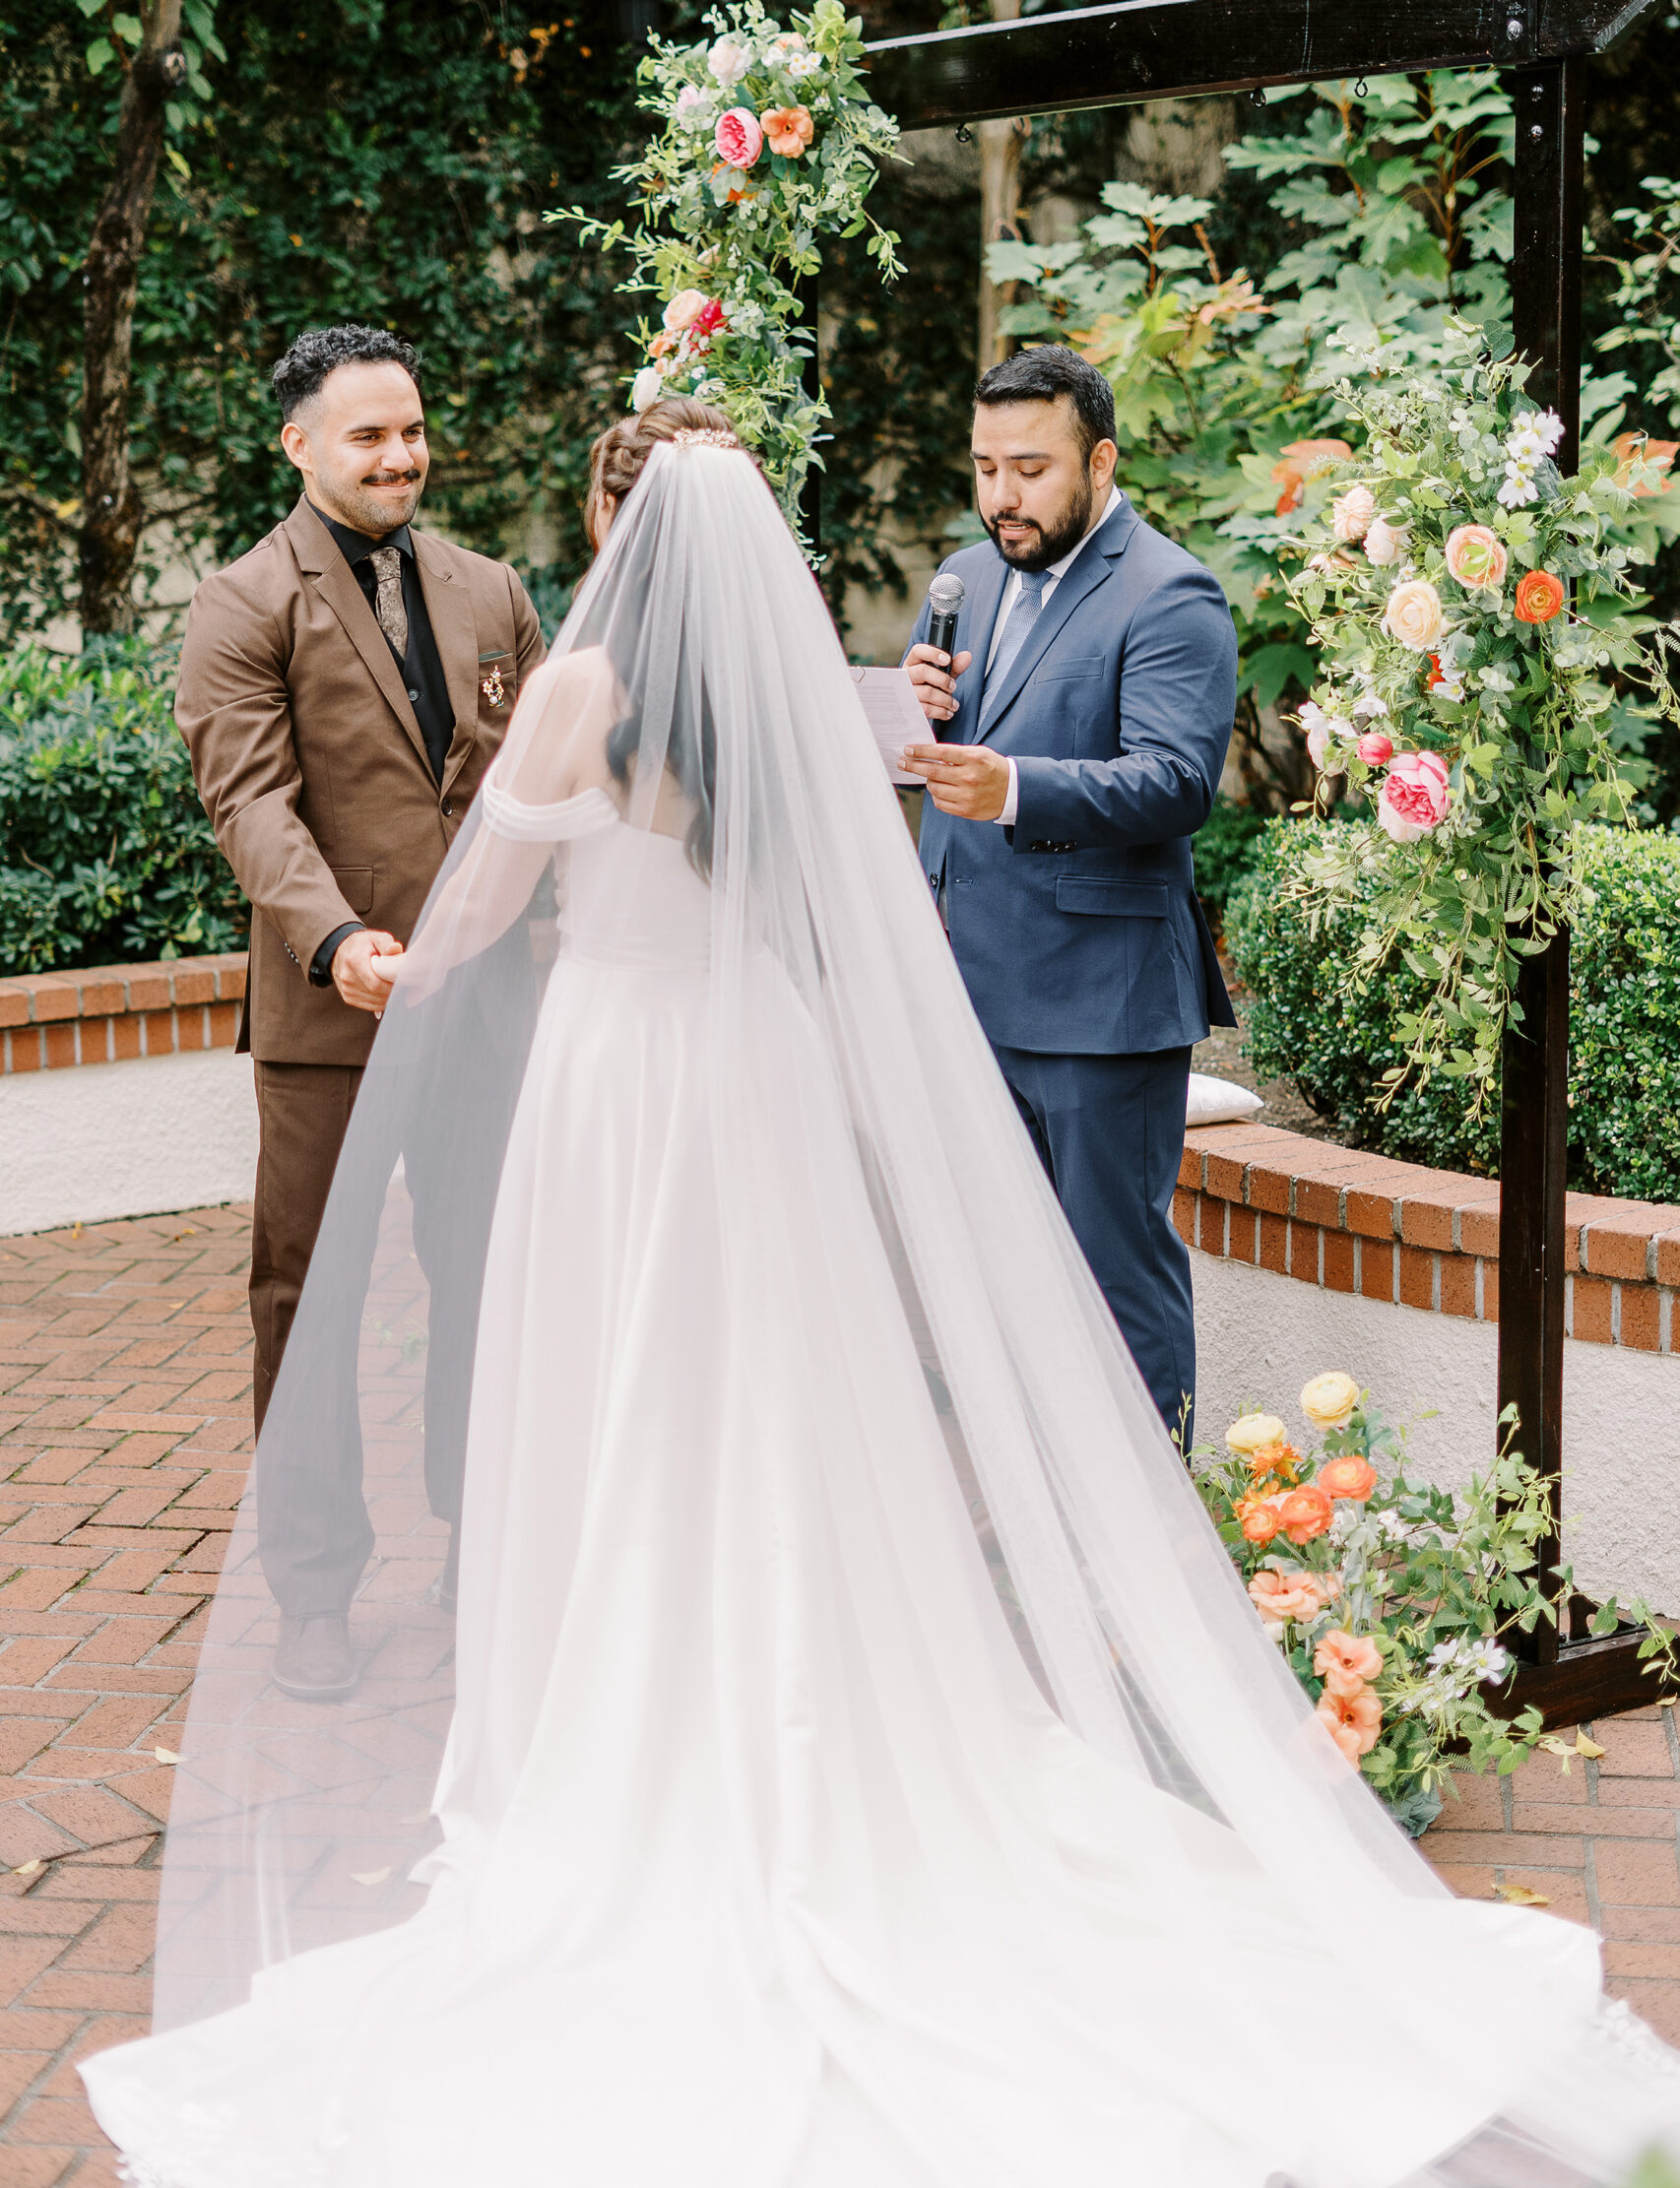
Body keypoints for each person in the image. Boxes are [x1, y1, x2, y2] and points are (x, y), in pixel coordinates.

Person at [84, 404, 1680, 2187]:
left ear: (626, 537)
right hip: (748, 1073)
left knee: (620, 1392)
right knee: (769, 1388)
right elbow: (835, 912)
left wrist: (402, 961)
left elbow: (484, 904)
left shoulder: (577, 687)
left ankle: (616, 1724)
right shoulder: (784, 716)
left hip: (618, 1082)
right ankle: (805, 1695)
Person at [174, 323, 544, 1696]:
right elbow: (251, 803)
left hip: (487, 1010)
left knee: (487, 1283)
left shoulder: (490, 588)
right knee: (308, 1300)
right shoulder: (241, 602)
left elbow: (531, 780)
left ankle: (477, 1548)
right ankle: (315, 1591)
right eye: (368, 437)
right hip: (332, 1017)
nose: (401, 457)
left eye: (411, 430)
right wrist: (336, 943)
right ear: (300, 445)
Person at [900, 345, 1237, 1435]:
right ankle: (1034, 1519)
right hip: (969, 986)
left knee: (1111, 1271)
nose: (1001, 495)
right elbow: (945, 758)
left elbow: (1175, 781)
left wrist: (1011, 785)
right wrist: (916, 712)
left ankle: (1156, 1544)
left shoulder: (1169, 590)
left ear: (1098, 459)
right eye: (985, 467)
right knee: (993, 1273)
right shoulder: (964, 575)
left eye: (1029, 468)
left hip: (1099, 1001)